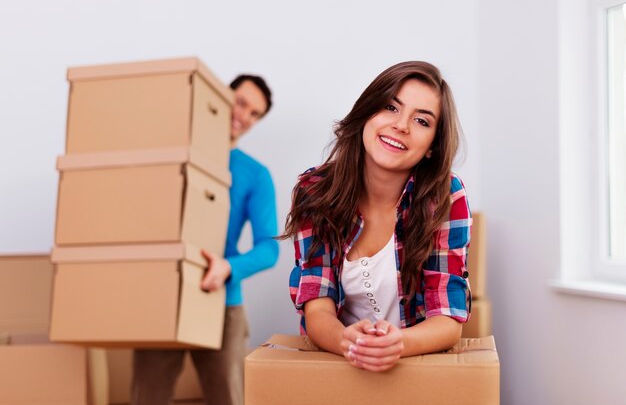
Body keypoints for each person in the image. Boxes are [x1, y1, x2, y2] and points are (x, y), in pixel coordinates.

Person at [283, 61, 471, 373]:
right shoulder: (314, 192)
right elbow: (317, 307)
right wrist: (347, 341)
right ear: (367, 112)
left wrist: (397, 343)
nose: (401, 126)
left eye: (422, 121)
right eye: (390, 107)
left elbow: (448, 319)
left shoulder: (445, 196)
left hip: (413, 370)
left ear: (431, 147)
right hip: (339, 368)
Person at [132, 74, 279, 405]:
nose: (244, 116)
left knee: (226, 398)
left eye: (255, 114)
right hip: (162, 294)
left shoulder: (255, 174)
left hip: (221, 302)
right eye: (241, 102)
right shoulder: (170, 156)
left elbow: (269, 248)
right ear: (221, 95)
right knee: (148, 397)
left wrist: (227, 267)